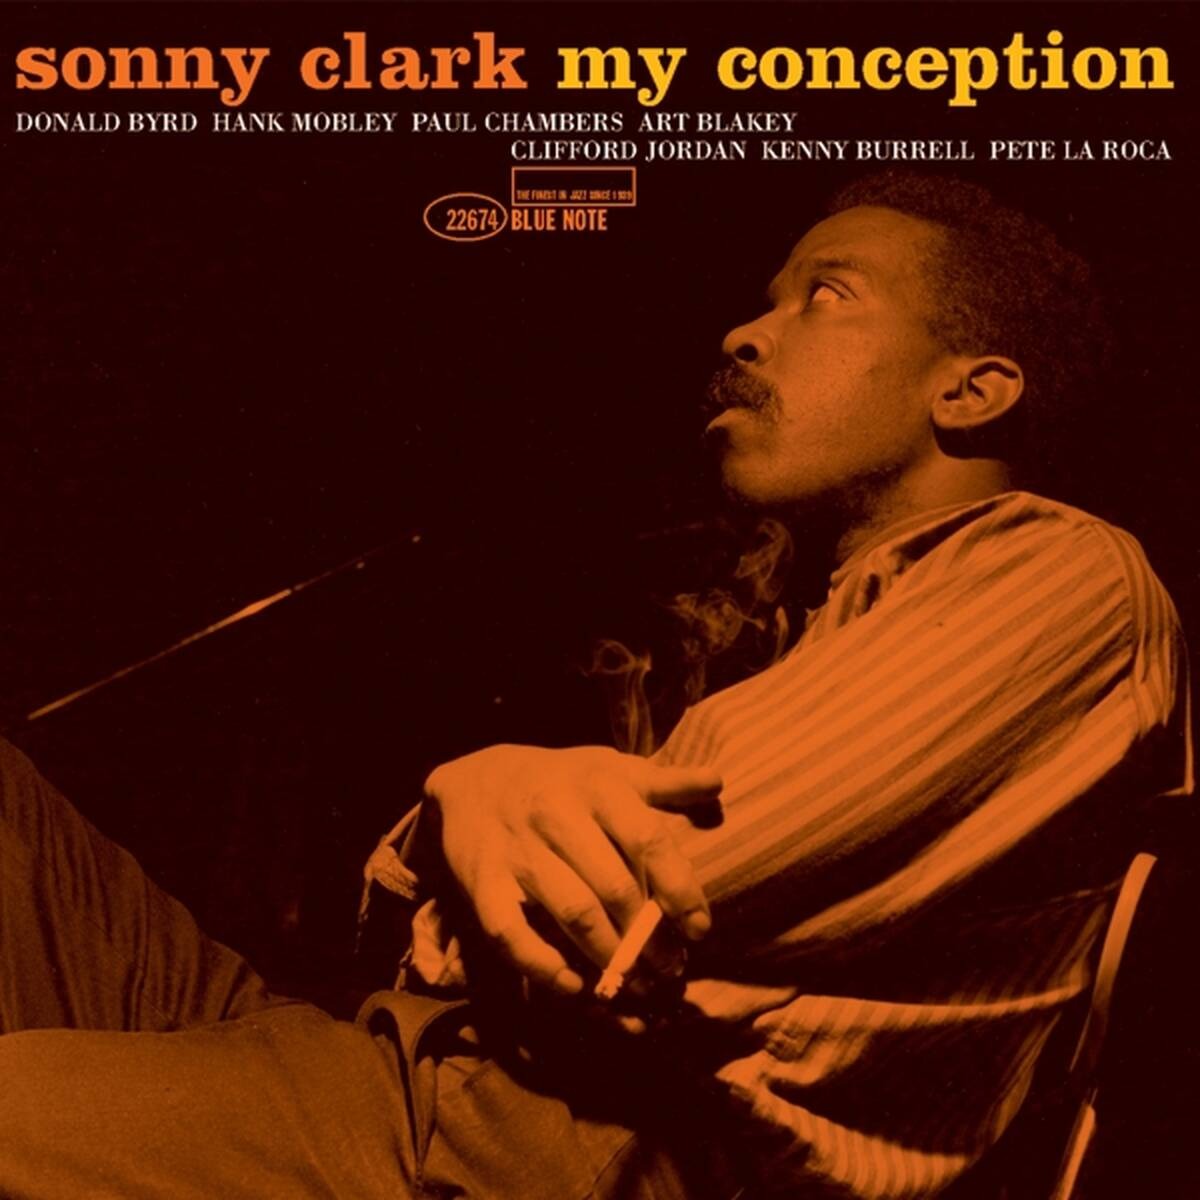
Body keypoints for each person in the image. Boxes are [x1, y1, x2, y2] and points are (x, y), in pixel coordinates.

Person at [0, 173, 1191, 1199]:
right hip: (424, 1065)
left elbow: (627, 907)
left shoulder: (1059, 569)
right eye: (767, 298)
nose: (746, 333)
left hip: (543, 1142)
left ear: (972, 391)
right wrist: (466, 821)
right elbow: (488, 899)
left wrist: (461, 826)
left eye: (825, 296)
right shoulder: (811, 628)